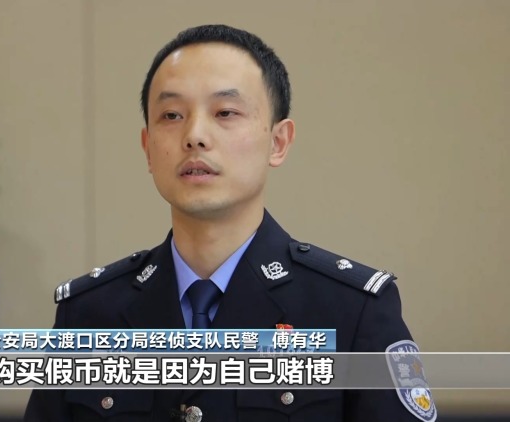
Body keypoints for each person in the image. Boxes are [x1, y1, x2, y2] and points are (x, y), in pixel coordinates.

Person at [24, 24, 435, 422]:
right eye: (171, 114)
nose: (195, 136)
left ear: (278, 142)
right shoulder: (88, 314)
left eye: (225, 112)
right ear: (148, 149)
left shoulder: (352, 309)